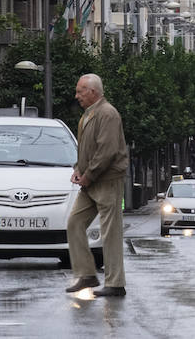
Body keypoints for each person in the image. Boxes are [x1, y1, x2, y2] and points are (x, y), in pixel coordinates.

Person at [65, 73, 129, 297]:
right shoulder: (89, 114)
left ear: (93, 92)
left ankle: (115, 283)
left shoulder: (108, 114)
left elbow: (107, 152)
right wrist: (78, 169)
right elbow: (86, 149)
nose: (77, 96)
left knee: (110, 232)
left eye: (80, 91)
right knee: (74, 223)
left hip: (106, 181)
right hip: (90, 181)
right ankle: (86, 275)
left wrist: (88, 175)